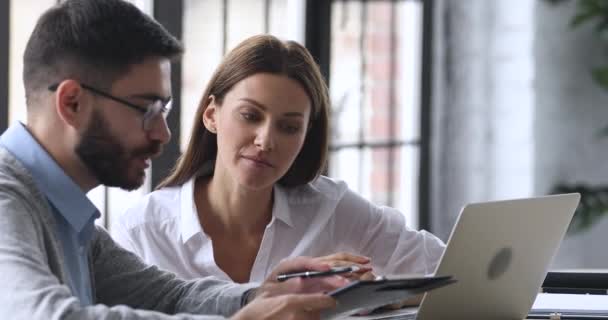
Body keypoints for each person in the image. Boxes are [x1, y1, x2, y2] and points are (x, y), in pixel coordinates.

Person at [0, 1, 349, 319]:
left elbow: (168, 296)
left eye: (163, 110)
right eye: (147, 108)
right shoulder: (6, 196)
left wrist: (263, 296)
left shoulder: (68, 216)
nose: (163, 134)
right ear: (72, 103)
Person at [113, 34, 446, 285]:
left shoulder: (332, 209)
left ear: (305, 137)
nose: (266, 140)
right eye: (250, 115)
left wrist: (376, 303)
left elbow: (449, 272)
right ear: (212, 114)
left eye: (289, 127)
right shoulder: (144, 231)